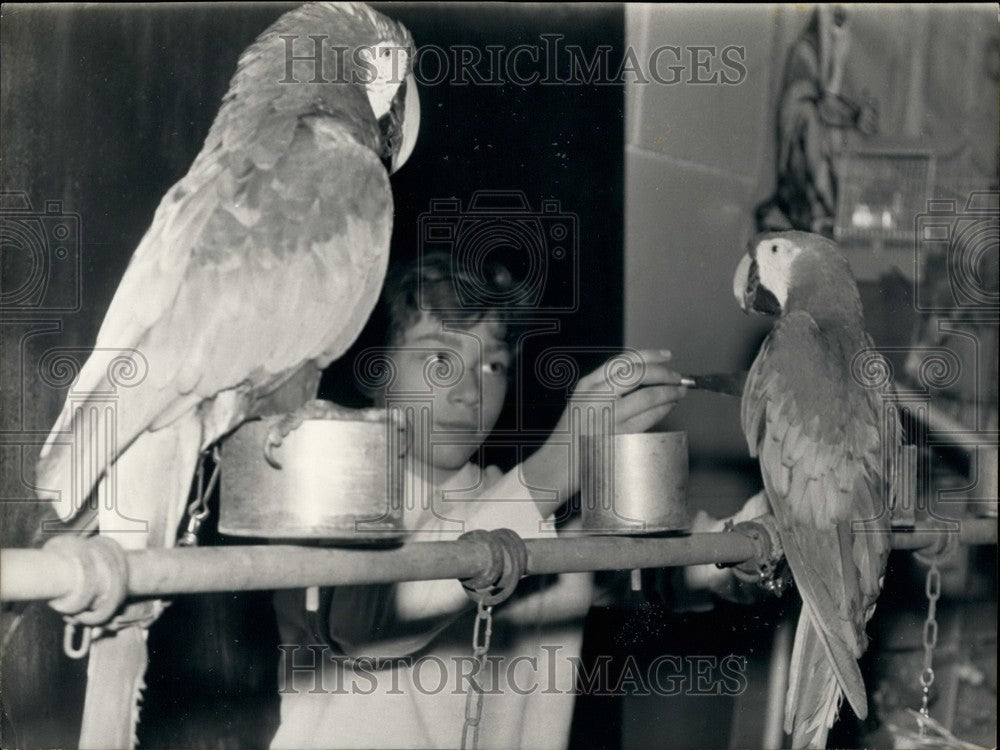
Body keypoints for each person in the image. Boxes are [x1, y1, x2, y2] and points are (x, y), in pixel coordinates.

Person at [269, 252, 763, 749]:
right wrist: (561, 461)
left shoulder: (524, 504)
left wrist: (767, 530)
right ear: (375, 370)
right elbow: (370, 624)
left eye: (492, 363)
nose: (469, 391)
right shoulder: (322, 493)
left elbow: (676, 568)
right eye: (440, 359)